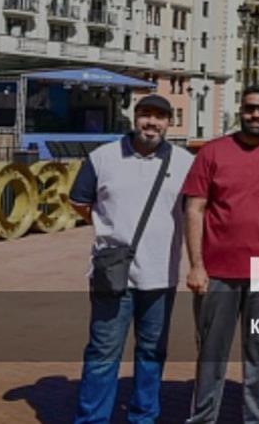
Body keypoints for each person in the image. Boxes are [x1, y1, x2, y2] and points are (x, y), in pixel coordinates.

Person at [69, 95, 194, 424]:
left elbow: (194, 212)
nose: (152, 123)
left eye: (159, 117)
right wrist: (108, 229)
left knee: (152, 353)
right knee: (102, 353)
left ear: (169, 123)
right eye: (145, 114)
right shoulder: (103, 157)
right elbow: (79, 201)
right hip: (113, 273)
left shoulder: (185, 162)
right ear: (134, 117)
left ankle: (143, 417)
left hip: (161, 274)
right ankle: (92, 420)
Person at [182, 85, 259, 424]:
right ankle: (203, 418)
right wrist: (196, 265)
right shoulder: (212, 152)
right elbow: (194, 209)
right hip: (217, 271)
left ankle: (255, 418)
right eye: (250, 108)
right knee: (211, 352)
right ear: (240, 110)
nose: (256, 115)